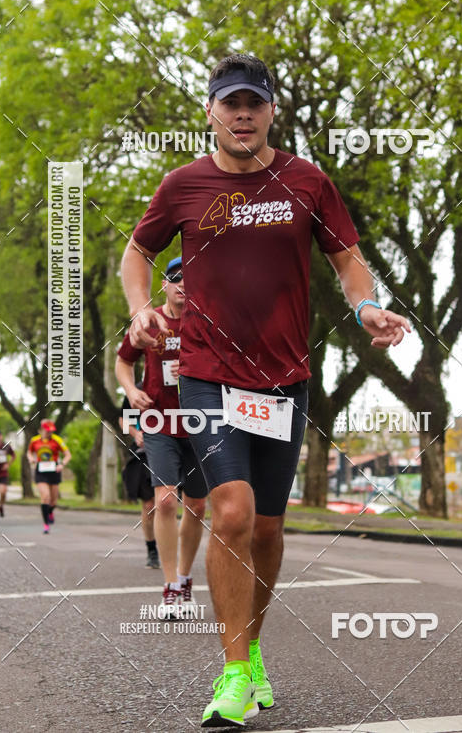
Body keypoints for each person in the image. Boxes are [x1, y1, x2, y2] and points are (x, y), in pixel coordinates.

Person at [121, 53, 411, 728]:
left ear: (272, 110)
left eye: (254, 102)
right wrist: (140, 305)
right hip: (206, 375)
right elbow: (138, 250)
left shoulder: (307, 180)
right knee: (229, 514)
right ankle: (230, 676)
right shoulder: (184, 185)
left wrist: (367, 307)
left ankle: (251, 654)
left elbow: (346, 257)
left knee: (271, 530)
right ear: (211, 111)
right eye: (230, 103)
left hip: (284, 378)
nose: (242, 113)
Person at [115, 257, 208, 617]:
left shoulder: (209, 323)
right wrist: (131, 391)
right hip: (158, 421)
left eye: (191, 278)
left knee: (197, 507)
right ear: (165, 285)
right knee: (166, 501)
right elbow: (124, 361)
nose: (183, 284)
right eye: (176, 279)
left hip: (201, 423)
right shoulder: (149, 321)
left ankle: (185, 577)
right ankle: (170, 587)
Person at [119, 385, 160, 569]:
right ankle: (152, 549)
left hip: (173, 450)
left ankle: (173, 549)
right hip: (143, 454)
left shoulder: (177, 381)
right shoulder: (137, 390)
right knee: (149, 505)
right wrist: (136, 434)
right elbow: (122, 419)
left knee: (167, 503)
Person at [27, 420, 71, 534]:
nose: (49, 433)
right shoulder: (34, 441)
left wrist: (62, 465)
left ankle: (50, 511)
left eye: (51, 431)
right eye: (47, 431)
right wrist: (31, 458)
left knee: (53, 501)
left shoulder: (57, 440)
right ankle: (46, 524)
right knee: (45, 496)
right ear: (40, 430)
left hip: (54, 470)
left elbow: (67, 455)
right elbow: (29, 452)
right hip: (41, 471)